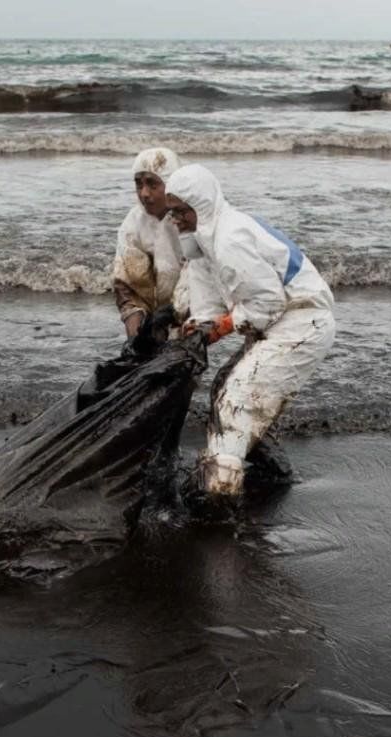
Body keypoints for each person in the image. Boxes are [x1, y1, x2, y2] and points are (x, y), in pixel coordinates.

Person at [163, 163, 336, 497]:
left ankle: (218, 495)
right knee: (222, 391)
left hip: (303, 320)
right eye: (172, 213)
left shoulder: (229, 239)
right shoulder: (204, 240)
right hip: (281, 321)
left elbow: (268, 303)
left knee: (237, 402)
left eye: (181, 211)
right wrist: (199, 326)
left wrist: (223, 327)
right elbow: (209, 303)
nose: (176, 220)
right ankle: (273, 472)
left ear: (201, 205)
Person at [112, 147, 187, 340]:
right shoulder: (133, 223)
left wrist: (176, 317)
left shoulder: (189, 221)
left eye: (153, 185)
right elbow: (129, 285)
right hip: (155, 315)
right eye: (139, 184)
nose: (144, 193)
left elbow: (201, 276)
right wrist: (136, 333)